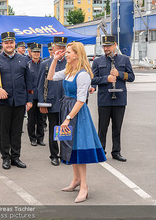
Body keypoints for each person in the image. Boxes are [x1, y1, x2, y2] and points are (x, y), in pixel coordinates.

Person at [47, 41, 106, 203]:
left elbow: (81, 101)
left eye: (68, 52)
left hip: (76, 113)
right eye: (65, 52)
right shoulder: (69, 71)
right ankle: (75, 180)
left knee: (79, 148)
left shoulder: (83, 74)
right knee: (69, 147)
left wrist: (67, 119)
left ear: (77, 55)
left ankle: (84, 186)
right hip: (66, 108)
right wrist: (54, 59)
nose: (65, 54)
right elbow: (50, 77)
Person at [0, 31, 33, 170]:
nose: (9, 45)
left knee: (17, 131)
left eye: (11, 42)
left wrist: (29, 100)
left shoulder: (23, 59)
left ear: (14, 43)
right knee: (4, 131)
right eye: (6, 43)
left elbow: (29, 82)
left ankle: (15, 157)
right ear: (2, 44)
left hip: (19, 101)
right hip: (2, 102)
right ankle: (5, 157)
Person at [91, 35, 135, 162]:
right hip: (104, 99)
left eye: (109, 46)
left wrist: (119, 74)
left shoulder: (125, 60)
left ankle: (116, 152)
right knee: (102, 128)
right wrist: (106, 79)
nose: (106, 48)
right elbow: (93, 79)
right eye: (104, 46)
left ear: (115, 45)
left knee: (117, 128)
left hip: (119, 99)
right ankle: (101, 152)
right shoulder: (98, 61)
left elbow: (131, 77)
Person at [37, 37, 67, 166]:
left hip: (67, 103)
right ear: (52, 48)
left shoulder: (70, 62)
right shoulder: (45, 64)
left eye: (63, 47)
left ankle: (65, 154)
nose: (60, 50)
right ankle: (54, 155)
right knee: (54, 130)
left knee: (66, 130)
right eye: (58, 47)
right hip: (52, 102)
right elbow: (40, 85)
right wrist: (42, 103)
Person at [27, 43, 45, 147]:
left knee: (41, 118)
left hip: (42, 96)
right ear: (30, 52)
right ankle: (32, 138)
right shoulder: (28, 65)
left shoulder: (44, 64)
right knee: (31, 119)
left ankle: (40, 138)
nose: (36, 54)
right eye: (34, 52)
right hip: (31, 96)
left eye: (38, 52)